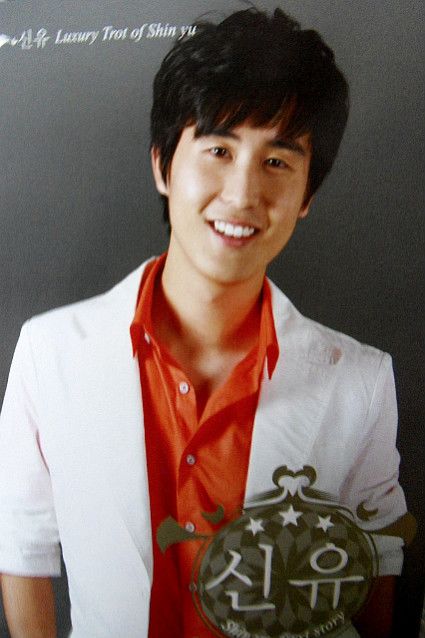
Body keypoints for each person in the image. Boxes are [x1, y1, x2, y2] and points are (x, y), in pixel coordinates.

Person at [0, 7, 408, 638]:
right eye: (219, 149)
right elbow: (21, 545)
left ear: (307, 196)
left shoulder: (361, 381)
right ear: (162, 165)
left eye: (278, 161)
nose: (243, 195)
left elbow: (376, 559)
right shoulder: (49, 351)